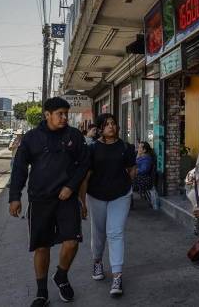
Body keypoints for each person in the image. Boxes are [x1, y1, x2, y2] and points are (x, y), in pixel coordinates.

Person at [9, 97, 90, 307]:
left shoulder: (73, 136)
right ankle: (42, 292)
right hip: (40, 200)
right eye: (60, 114)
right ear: (47, 115)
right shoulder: (31, 138)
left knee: (72, 243)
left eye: (66, 113)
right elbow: (19, 168)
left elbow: (84, 164)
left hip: (66, 199)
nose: (64, 118)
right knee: (42, 247)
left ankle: (61, 276)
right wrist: (15, 197)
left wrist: (71, 186)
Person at [79, 113, 137, 297]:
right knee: (99, 233)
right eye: (107, 124)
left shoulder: (125, 147)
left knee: (115, 232)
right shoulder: (93, 149)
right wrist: (83, 203)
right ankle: (97, 262)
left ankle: (117, 276)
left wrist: (126, 183)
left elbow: (132, 169)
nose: (111, 126)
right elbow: (85, 177)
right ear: (100, 129)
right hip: (96, 196)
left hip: (120, 195)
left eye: (113, 123)